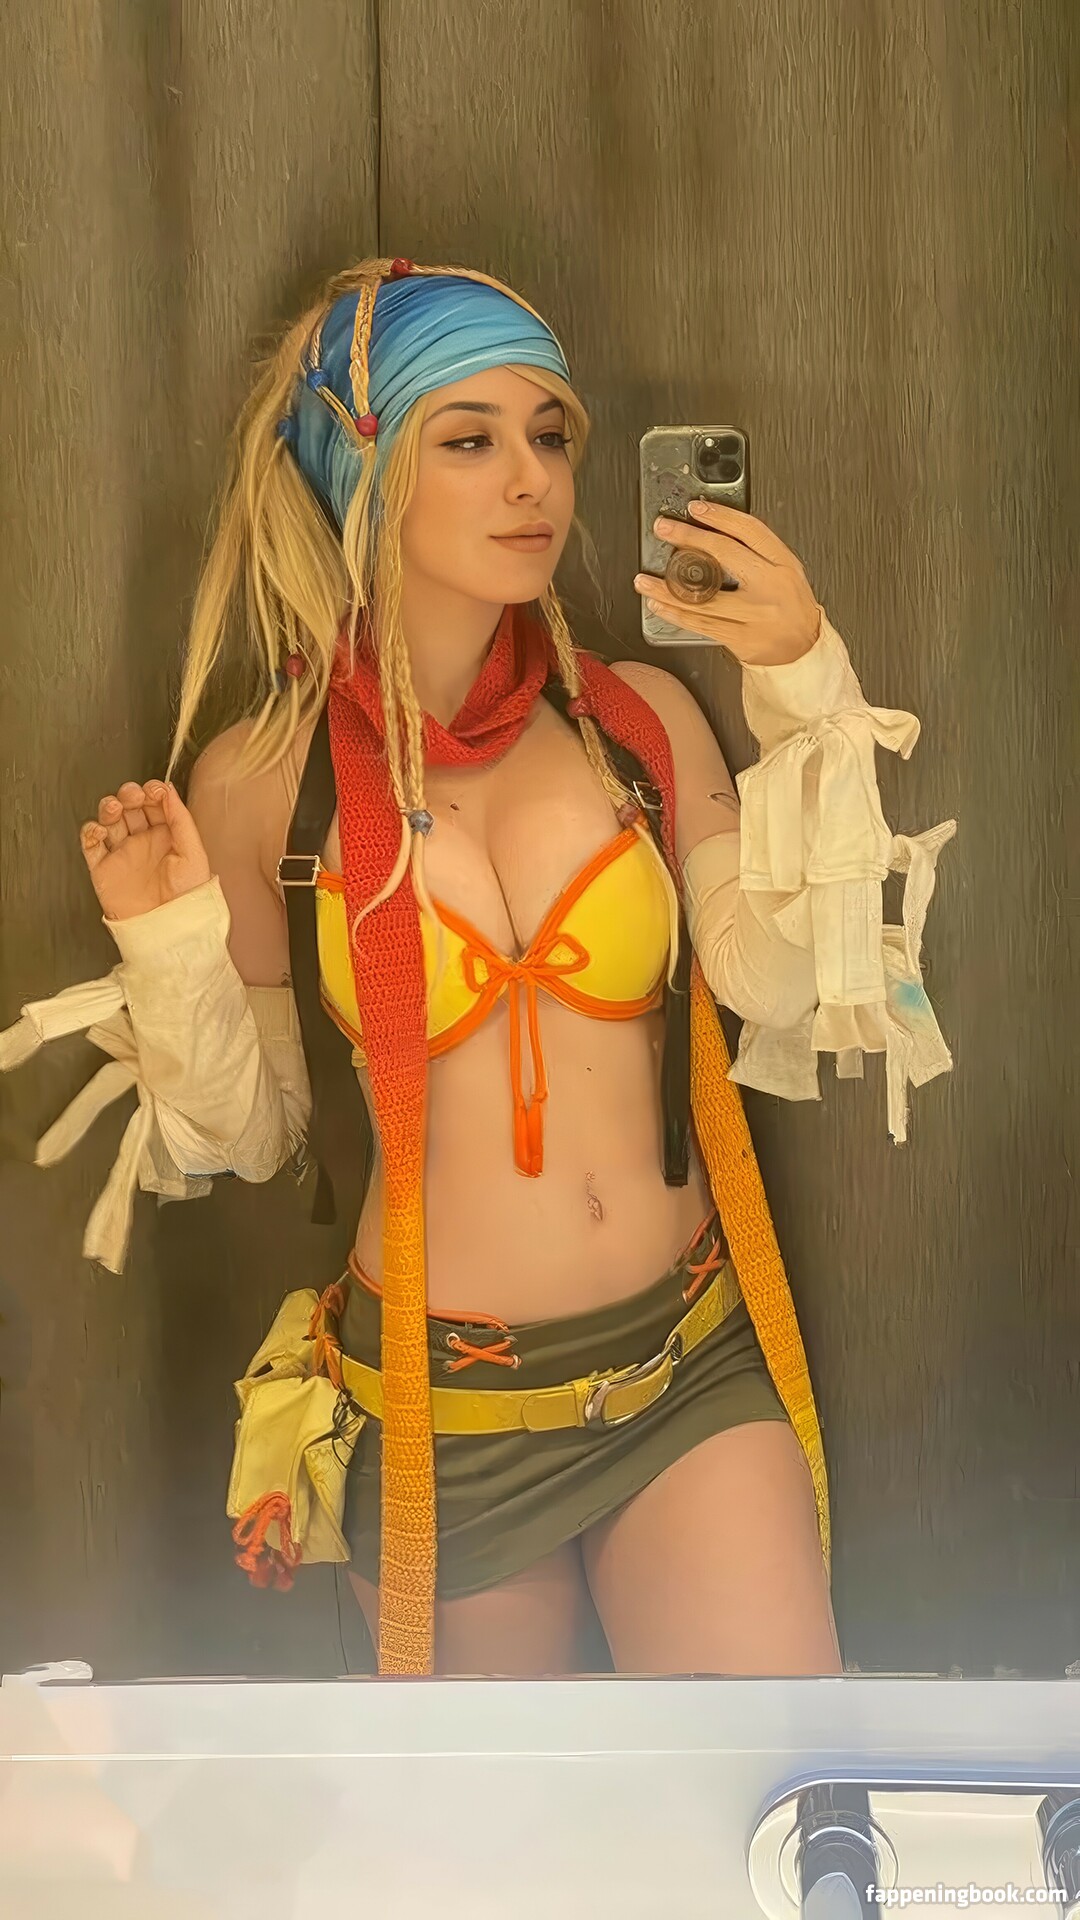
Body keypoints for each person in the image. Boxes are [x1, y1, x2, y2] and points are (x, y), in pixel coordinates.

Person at [0, 257, 956, 1679]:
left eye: (549, 436)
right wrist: (168, 945)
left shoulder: (642, 720)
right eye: (470, 440)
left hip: (681, 1367)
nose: (532, 480)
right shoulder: (266, 782)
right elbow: (249, 1135)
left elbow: (780, 986)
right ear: (365, 473)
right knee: (490, 1814)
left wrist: (806, 687)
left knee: (766, 1781)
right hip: (443, 1415)